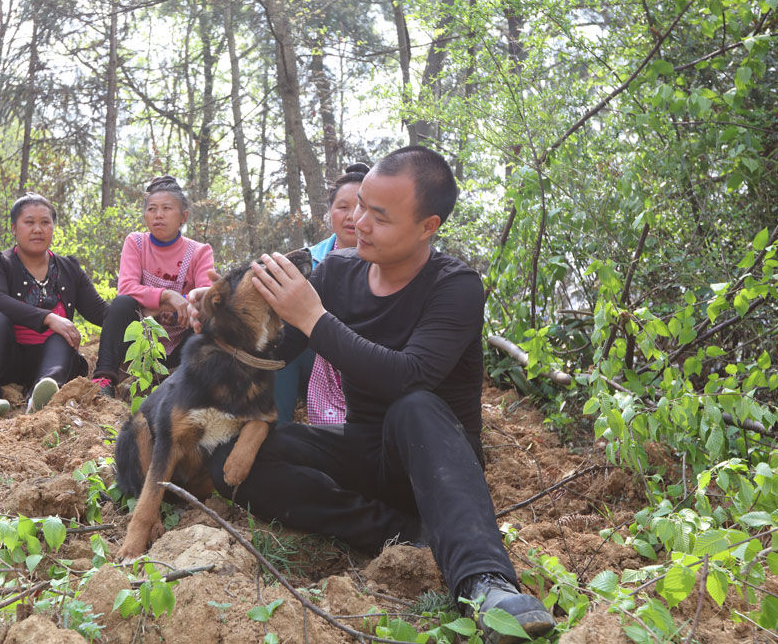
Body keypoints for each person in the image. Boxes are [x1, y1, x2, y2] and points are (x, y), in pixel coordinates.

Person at [202, 147, 554, 644]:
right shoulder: (338, 273)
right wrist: (222, 317)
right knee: (231, 457)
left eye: (380, 217)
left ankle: (485, 583)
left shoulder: (455, 287)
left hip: (433, 463)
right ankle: (402, 533)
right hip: (363, 451)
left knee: (415, 405)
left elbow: (407, 376)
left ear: (428, 226)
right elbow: (274, 356)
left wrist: (314, 317)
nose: (360, 223)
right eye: (360, 206)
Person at [0, 194, 109, 416]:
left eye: (45, 222)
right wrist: (48, 318)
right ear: (14, 228)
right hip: (6, 358)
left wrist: (141, 312)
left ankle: (41, 396)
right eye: (29, 222)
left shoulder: (69, 269)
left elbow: (100, 312)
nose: (38, 229)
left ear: (53, 227)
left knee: (63, 336)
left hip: (51, 361)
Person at [90, 176, 215, 396]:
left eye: (167, 208)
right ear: (145, 215)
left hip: (181, 344)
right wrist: (168, 296)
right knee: (121, 304)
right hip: (140, 343)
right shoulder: (136, 243)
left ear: (183, 216)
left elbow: (205, 297)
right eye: (152, 209)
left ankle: (188, 380)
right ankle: (104, 378)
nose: (158, 215)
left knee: (207, 318)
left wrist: (164, 309)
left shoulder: (199, 251)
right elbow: (127, 288)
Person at [273, 162, 369, 423]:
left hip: (366, 366)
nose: (352, 217)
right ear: (329, 212)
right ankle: (275, 431)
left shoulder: (389, 264)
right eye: (342, 207)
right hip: (312, 364)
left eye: (361, 207)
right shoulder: (307, 260)